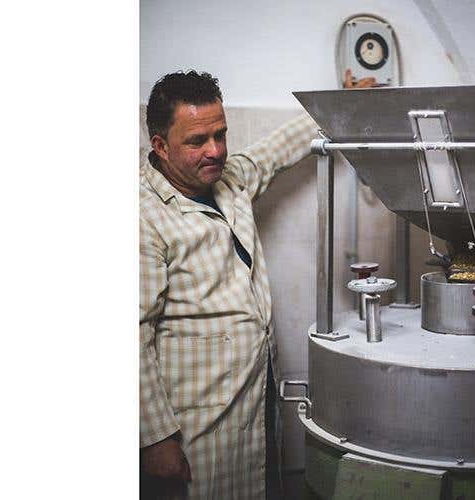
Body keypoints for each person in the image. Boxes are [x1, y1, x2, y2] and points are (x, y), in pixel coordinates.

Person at [140, 70, 375, 500]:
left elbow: (275, 151)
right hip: (192, 425)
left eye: (221, 134)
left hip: (254, 402)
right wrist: (154, 439)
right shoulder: (144, 216)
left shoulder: (228, 180)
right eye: (197, 141)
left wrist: (338, 104)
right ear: (160, 145)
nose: (215, 150)